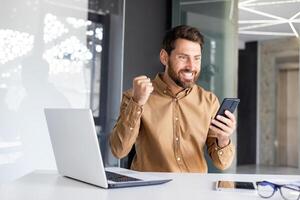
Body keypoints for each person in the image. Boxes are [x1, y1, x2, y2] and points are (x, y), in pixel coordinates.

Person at [109, 25, 236, 172]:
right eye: (183, 57)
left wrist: (223, 138)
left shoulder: (209, 101)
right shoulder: (135, 96)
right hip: (152, 192)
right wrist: (137, 103)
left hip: (194, 191)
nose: (191, 66)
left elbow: (222, 163)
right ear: (164, 57)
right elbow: (119, 150)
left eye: (196, 59)